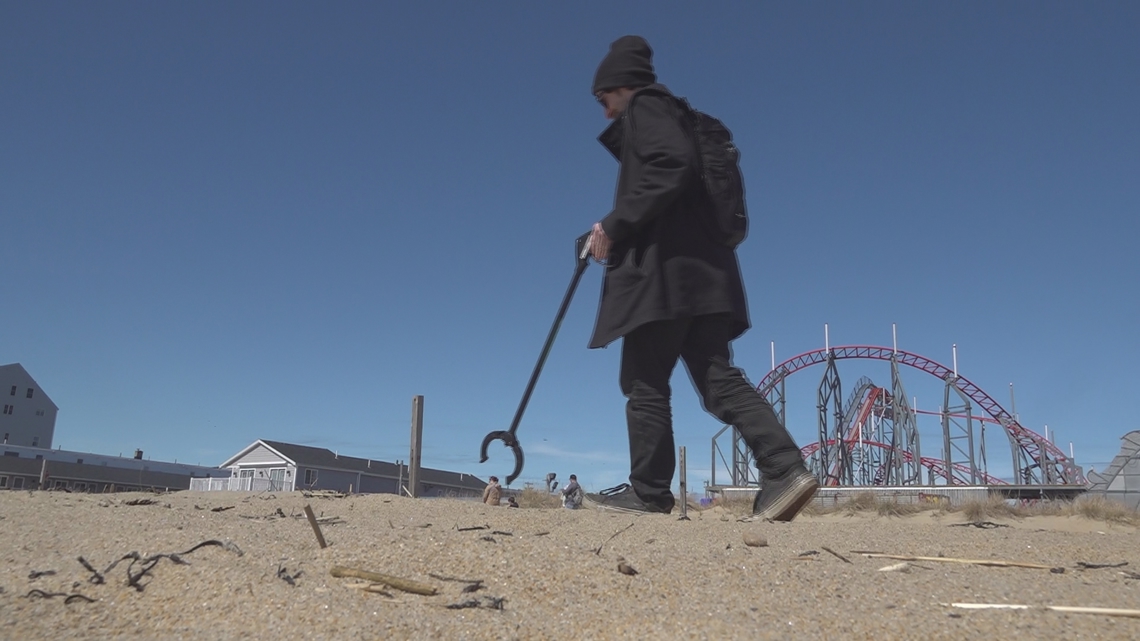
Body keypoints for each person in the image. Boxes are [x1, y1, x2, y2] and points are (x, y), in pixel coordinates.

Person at [582, 35, 818, 521]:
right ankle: (783, 469)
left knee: (644, 381)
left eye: (604, 100)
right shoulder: (680, 117)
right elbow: (675, 183)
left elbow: (672, 167)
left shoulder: (648, 106)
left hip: (666, 280)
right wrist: (606, 233)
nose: (606, 113)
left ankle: (647, 495)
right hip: (705, 277)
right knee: (716, 378)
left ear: (622, 87)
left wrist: (614, 224)